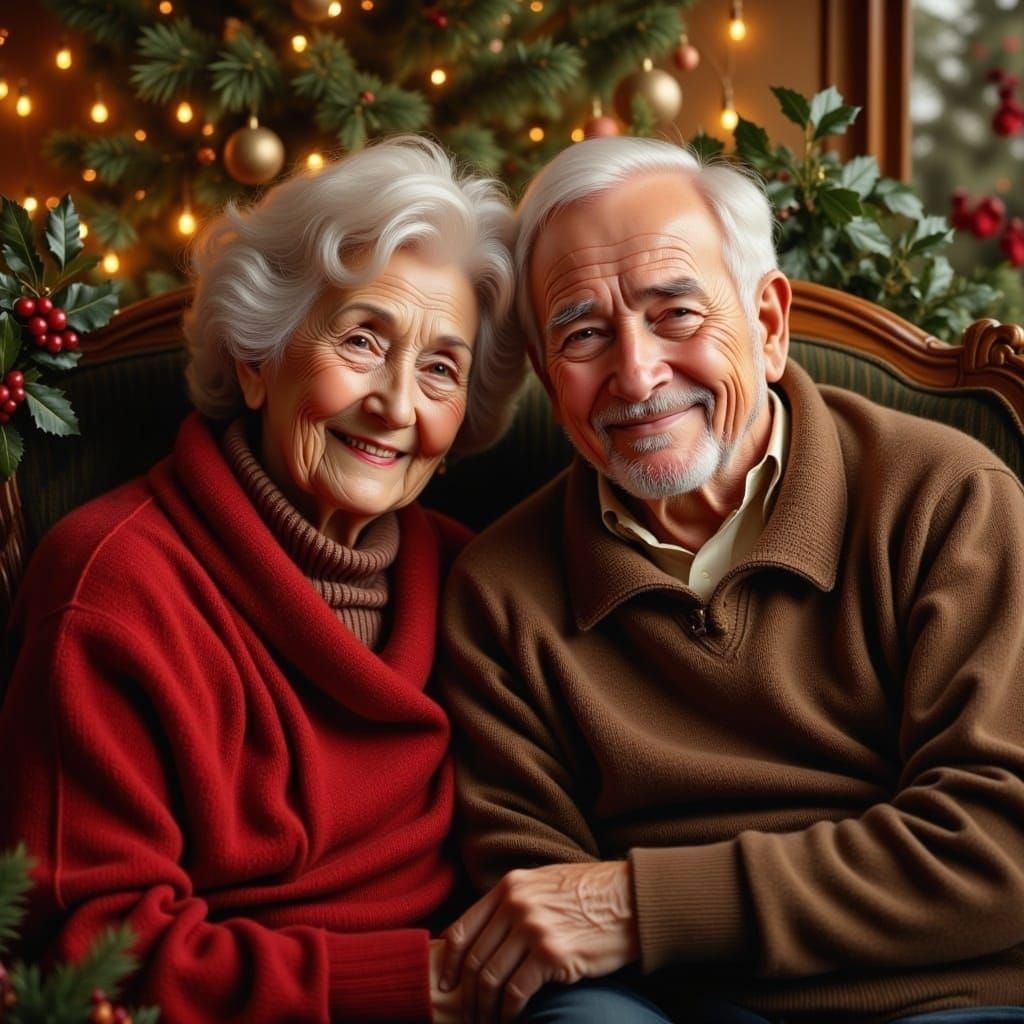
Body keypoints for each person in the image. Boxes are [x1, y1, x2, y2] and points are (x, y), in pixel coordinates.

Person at [438, 136, 1024, 1024]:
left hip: (939, 1001)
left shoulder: (950, 500)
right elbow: (538, 912)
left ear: (769, 323)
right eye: (584, 332)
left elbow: (1001, 844)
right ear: (550, 382)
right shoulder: (500, 589)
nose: (636, 375)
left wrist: (643, 905)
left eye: (676, 314)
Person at [0, 135, 523, 1022]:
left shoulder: (481, 579)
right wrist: (417, 986)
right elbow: (89, 952)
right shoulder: (114, 586)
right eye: (362, 339)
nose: (397, 405)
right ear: (255, 355)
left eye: (442, 368)